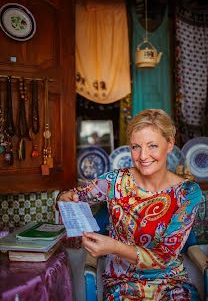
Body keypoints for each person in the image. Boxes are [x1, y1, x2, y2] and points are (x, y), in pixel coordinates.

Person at [57, 109, 202, 300]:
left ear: (169, 144)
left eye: (152, 146)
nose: (143, 156)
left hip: (172, 285)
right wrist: (65, 198)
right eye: (135, 147)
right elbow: (72, 196)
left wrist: (113, 247)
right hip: (123, 286)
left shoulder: (187, 193)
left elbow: (164, 257)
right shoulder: (114, 181)